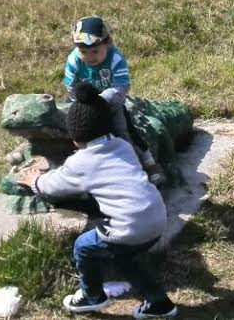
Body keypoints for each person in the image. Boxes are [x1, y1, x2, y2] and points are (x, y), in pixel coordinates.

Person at [19, 81, 178, 318]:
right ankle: (160, 304)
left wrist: (34, 180)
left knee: (83, 247)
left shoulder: (81, 162)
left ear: (75, 135)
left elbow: (52, 186)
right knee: (124, 259)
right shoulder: (122, 146)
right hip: (156, 217)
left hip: (129, 226)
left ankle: (91, 296)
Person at [64, 17, 165, 186]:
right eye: (83, 51)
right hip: (86, 105)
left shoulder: (115, 58)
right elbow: (70, 85)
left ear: (107, 43)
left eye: (95, 51)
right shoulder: (74, 60)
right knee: (80, 135)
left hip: (112, 104)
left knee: (125, 133)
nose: (89, 57)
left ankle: (148, 164)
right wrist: (81, 100)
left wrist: (102, 100)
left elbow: (122, 85)